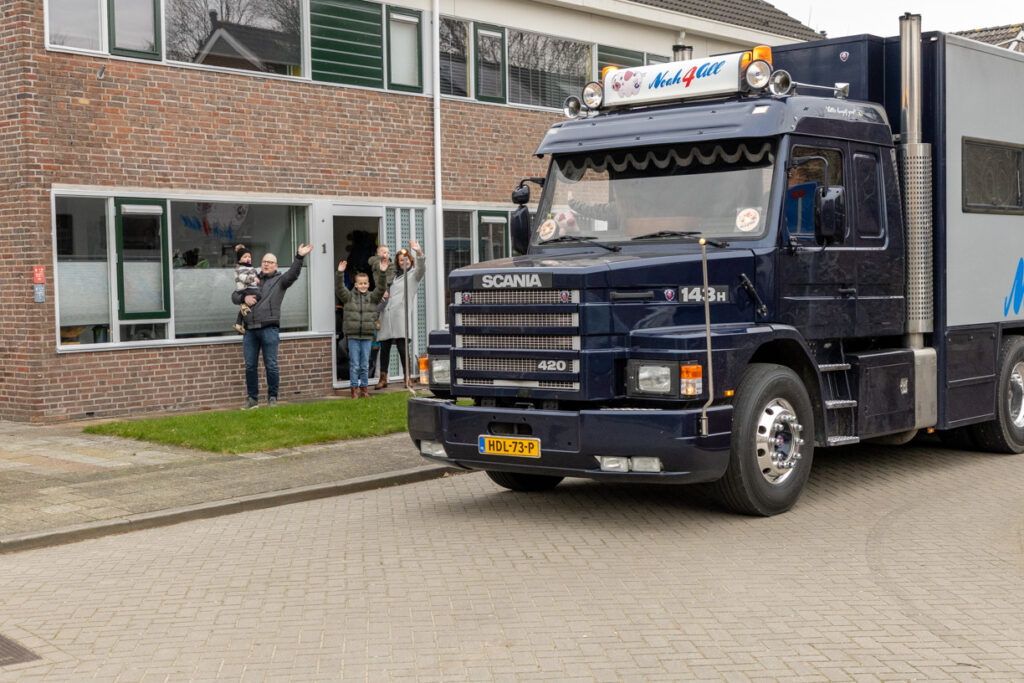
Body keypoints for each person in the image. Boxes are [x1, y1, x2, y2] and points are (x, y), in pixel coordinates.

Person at [233, 244, 314, 409]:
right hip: (250, 330)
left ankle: (272, 398)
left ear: (276, 266)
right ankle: (252, 400)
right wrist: (243, 299)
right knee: (250, 366)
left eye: (270, 262)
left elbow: (293, 274)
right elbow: (234, 295)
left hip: (269, 329)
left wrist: (299, 257)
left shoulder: (280, 280)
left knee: (271, 365)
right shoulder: (252, 277)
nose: (266, 264)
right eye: (264, 261)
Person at [375, 239, 426, 389]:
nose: (404, 262)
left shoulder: (413, 275)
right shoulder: (391, 276)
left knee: (402, 348)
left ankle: (407, 377)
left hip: (400, 316)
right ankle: (383, 378)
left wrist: (419, 252)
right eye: (401, 260)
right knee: (384, 348)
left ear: (410, 260)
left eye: (406, 260)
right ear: (397, 262)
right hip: (386, 314)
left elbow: (421, 268)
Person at [336, 257, 389, 398]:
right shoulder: (348, 297)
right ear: (356, 284)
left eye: (365, 283)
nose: (363, 285)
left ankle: (364, 389)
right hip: (353, 335)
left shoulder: (372, 298)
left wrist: (383, 272)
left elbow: (381, 288)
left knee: (365, 364)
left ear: (368, 284)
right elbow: (340, 288)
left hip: (366, 335)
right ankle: (354, 389)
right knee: (354, 364)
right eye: (360, 283)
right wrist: (340, 273)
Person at [232, 244, 260, 335]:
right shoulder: (241, 268)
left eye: (249, 257)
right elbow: (243, 277)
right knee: (259, 296)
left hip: (250, 289)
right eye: (245, 257)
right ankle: (240, 322)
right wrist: (253, 279)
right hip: (245, 289)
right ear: (239, 260)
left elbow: (256, 275)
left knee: (246, 307)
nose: (248, 258)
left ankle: (239, 323)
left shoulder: (250, 267)